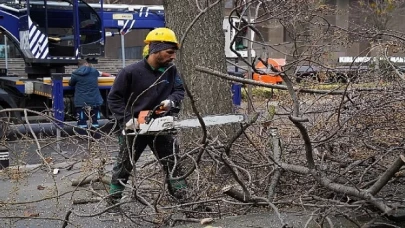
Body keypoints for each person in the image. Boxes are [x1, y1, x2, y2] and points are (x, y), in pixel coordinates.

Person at [107, 27, 187, 206]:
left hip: (160, 124)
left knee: (172, 160)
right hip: (135, 126)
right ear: (155, 50)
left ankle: (183, 197)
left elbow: (179, 90)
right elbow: (114, 98)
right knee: (124, 165)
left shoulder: (170, 71)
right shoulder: (130, 72)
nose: (172, 56)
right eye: (169, 52)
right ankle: (113, 201)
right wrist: (127, 118)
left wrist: (170, 102)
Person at [69, 59, 111, 128]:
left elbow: (71, 83)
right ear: (86, 64)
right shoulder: (94, 71)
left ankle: (83, 137)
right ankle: (95, 137)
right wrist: (109, 75)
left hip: (81, 102)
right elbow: (101, 73)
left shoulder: (75, 73)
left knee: (82, 122)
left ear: (79, 66)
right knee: (95, 121)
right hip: (94, 100)